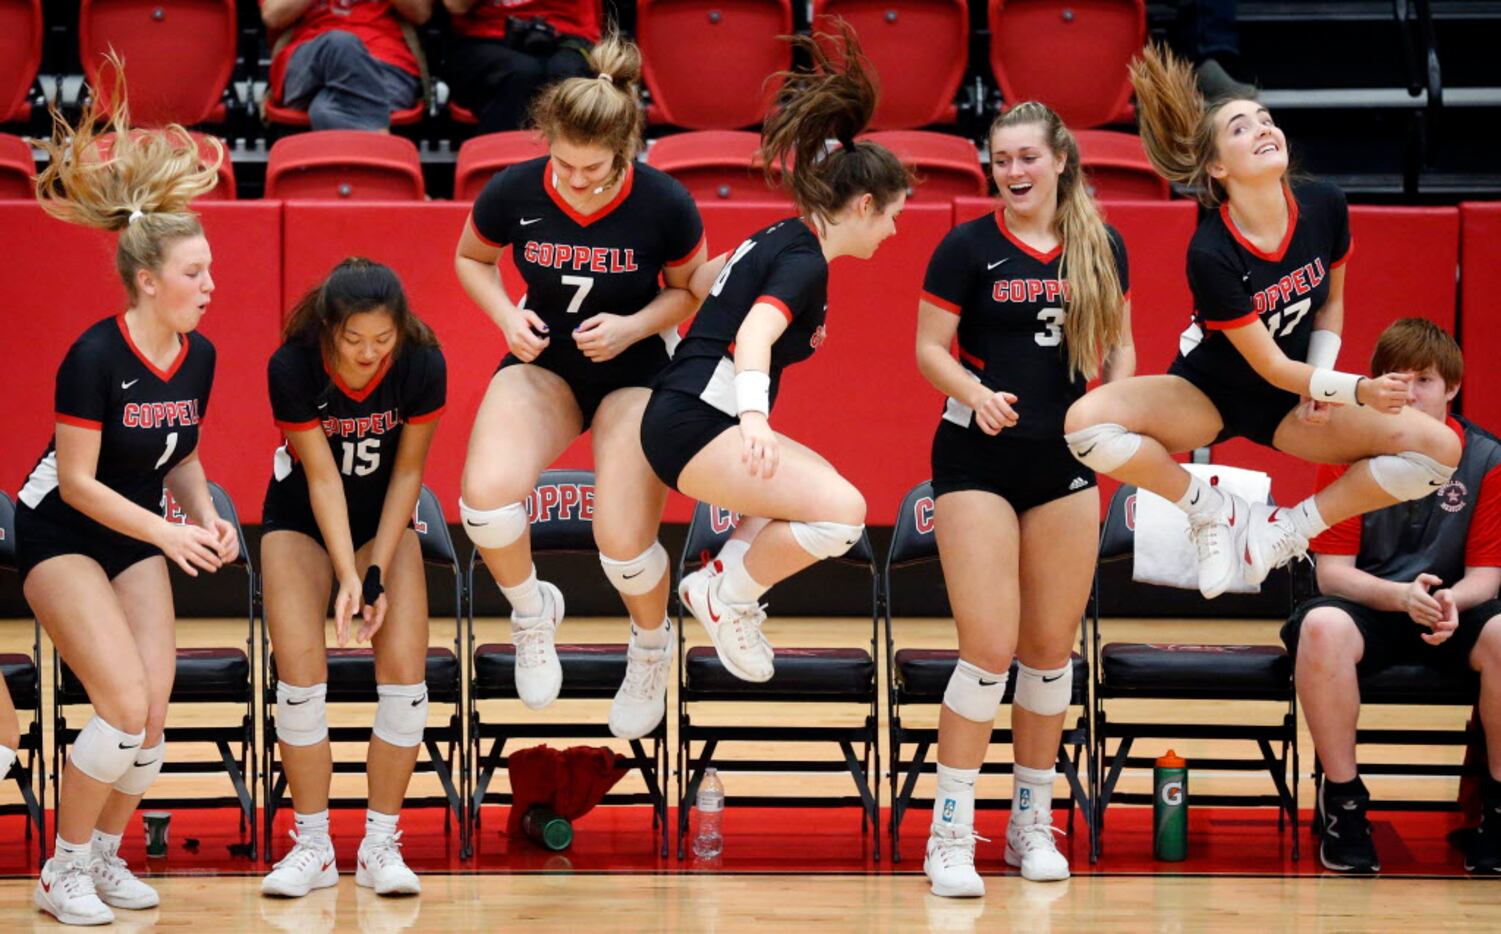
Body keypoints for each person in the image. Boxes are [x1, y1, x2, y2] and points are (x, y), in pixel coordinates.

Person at [1063, 44, 1461, 602]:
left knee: (1437, 451)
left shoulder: (1324, 203)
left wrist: (1321, 383)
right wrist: (1357, 390)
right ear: (1217, 168)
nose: (1262, 128)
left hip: (1291, 400)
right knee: (1086, 425)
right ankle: (1209, 511)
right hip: (1208, 392)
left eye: (1266, 120)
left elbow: (1329, 305)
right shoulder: (1212, 251)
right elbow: (1269, 365)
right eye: (1241, 127)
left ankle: (1285, 529)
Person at [20, 61, 236, 926]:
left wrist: (209, 516)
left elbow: (180, 449)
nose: (210, 285)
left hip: (137, 527)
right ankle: (60, 869)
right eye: (195, 273)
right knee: (116, 705)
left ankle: (105, 858)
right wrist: (169, 532)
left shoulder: (202, 355)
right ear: (148, 281)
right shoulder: (95, 356)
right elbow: (77, 482)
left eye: (211, 269)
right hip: (61, 529)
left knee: (150, 718)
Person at [454, 32, 706, 740]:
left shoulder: (664, 201)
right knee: (484, 503)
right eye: (561, 163)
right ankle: (533, 611)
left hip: (637, 368)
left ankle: (651, 647)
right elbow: (471, 259)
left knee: (623, 542)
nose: (573, 179)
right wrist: (507, 315)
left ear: (625, 151)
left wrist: (630, 327)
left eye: (591, 168)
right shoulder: (516, 187)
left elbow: (690, 292)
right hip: (548, 361)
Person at [638, 21, 907, 682]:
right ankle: (727, 595)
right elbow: (753, 332)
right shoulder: (804, 259)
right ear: (864, 204)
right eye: (893, 212)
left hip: (687, 412)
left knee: (810, 494)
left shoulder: (779, 237)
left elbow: (704, 283)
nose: (896, 228)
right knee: (842, 516)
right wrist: (755, 421)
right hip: (696, 425)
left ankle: (724, 581)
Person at [915, 100, 1133, 895]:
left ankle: (1029, 823)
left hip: (1067, 465)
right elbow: (927, 350)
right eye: (1001, 159)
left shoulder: (1101, 246)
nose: (1012, 172)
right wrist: (974, 392)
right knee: (986, 650)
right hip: (976, 458)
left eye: (1026, 158)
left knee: (1048, 656)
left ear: (1059, 160)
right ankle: (948, 835)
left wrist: (1119, 416)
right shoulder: (966, 247)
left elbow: (1122, 349)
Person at [1283, 319, 1501, 875]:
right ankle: (1345, 806)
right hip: (1370, 607)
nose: (1408, 392)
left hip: (1453, 609)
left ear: (1451, 387)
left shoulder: (1486, 459)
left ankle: (1496, 814)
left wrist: (1451, 601)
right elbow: (1333, 574)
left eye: (1424, 380)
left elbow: (1488, 573)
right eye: (1395, 379)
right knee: (1322, 627)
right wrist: (1402, 596)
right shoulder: (1346, 446)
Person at [259, 259, 446, 899]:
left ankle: (378, 845)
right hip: (302, 516)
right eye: (354, 340)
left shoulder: (423, 362)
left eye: (382, 339)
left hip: (386, 519)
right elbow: (320, 478)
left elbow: (407, 474)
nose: (369, 354)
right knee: (301, 682)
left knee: (405, 681)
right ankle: (311, 845)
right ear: (328, 329)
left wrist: (372, 570)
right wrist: (346, 573)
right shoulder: (291, 366)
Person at [261, 0, 431, 131]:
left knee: (325, 110)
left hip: (385, 66)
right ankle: (385, 152)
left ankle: (358, 170)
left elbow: (420, 13)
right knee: (341, 45)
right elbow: (274, 16)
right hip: (310, 63)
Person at [443, 0, 600, 134]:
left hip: (566, 31)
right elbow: (456, 5)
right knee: (520, 73)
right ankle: (503, 165)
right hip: (485, 36)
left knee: (568, 75)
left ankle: (579, 165)